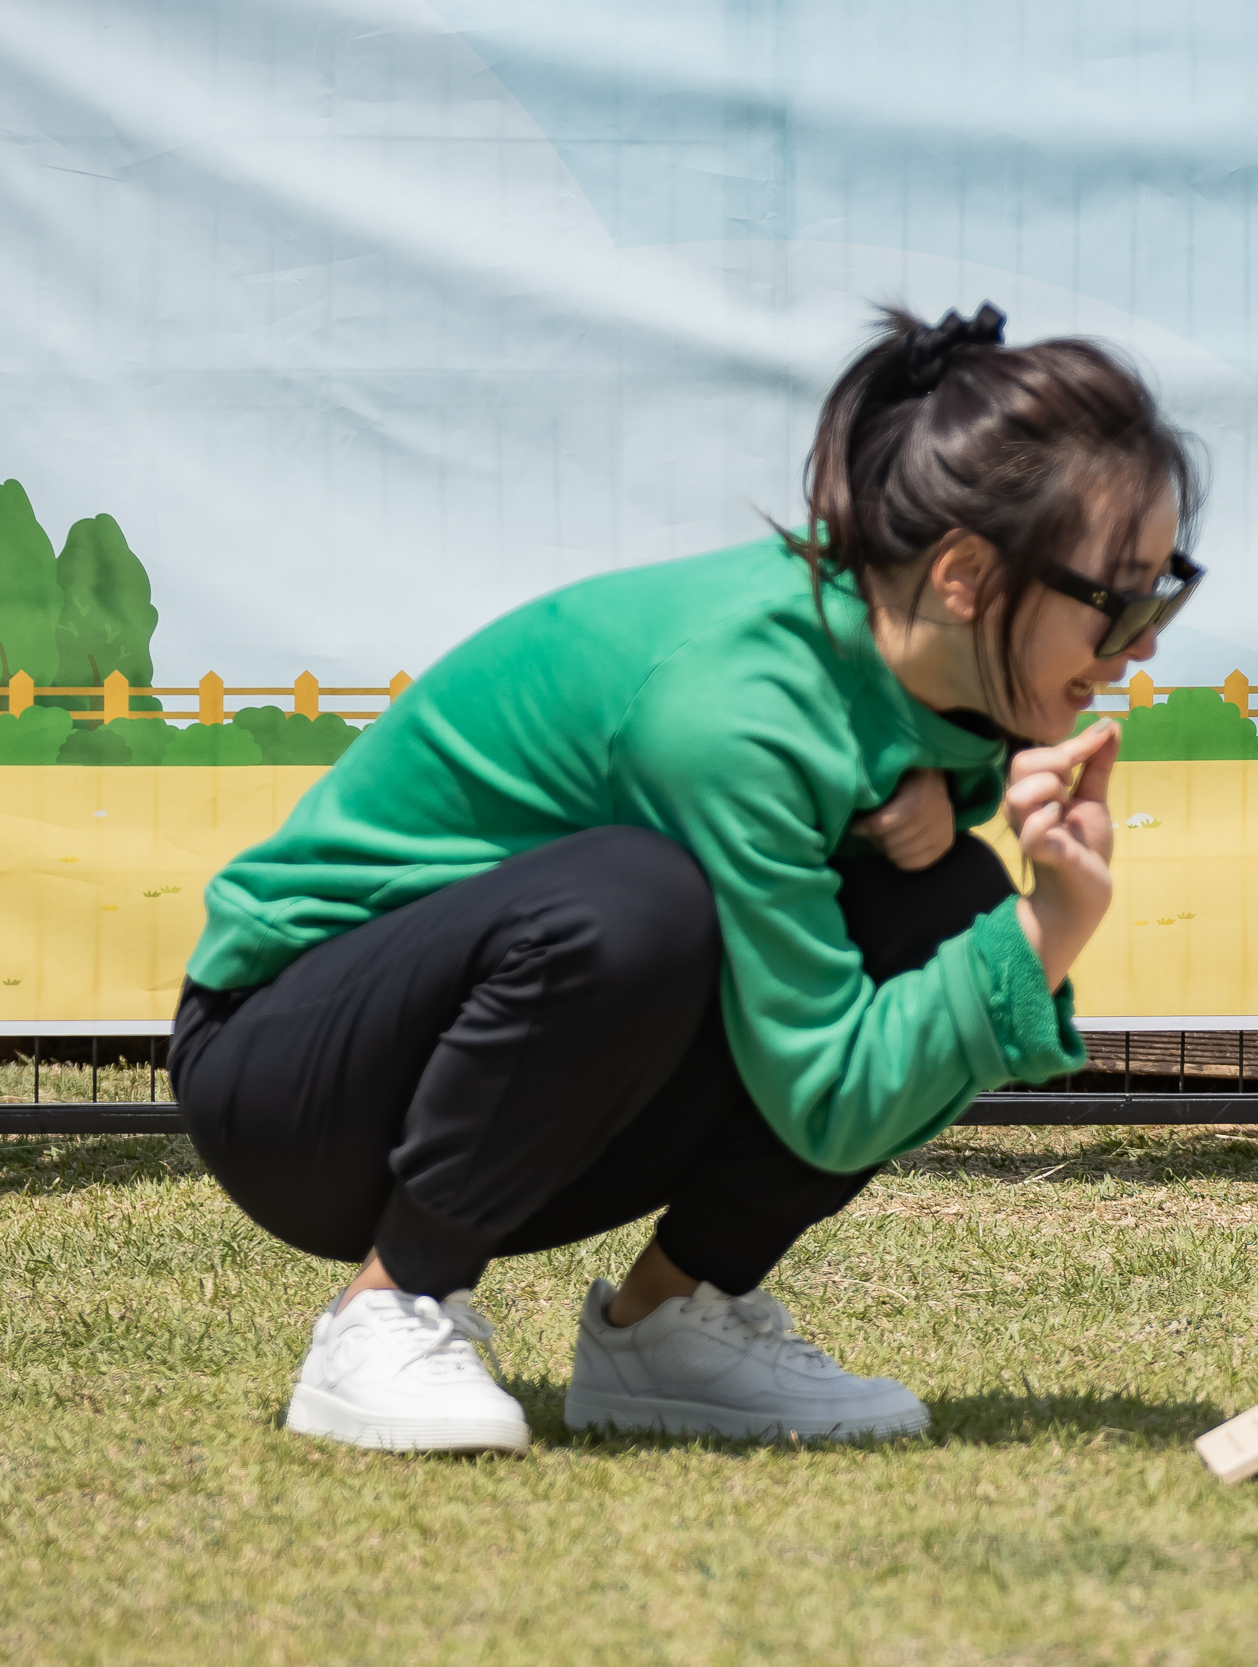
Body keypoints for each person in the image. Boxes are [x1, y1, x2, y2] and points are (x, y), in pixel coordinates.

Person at [170, 303, 1204, 1453]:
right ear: (963, 574)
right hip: (287, 1083)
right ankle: (391, 1304)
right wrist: (1048, 926)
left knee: (942, 902)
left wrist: (947, 813)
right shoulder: (733, 705)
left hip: (517, 1095)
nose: (1146, 639)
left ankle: (669, 1324)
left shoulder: (902, 644)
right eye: (1120, 598)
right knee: (638, 901)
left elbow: (883, 796)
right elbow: (830, 1090)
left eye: (1168, 588)